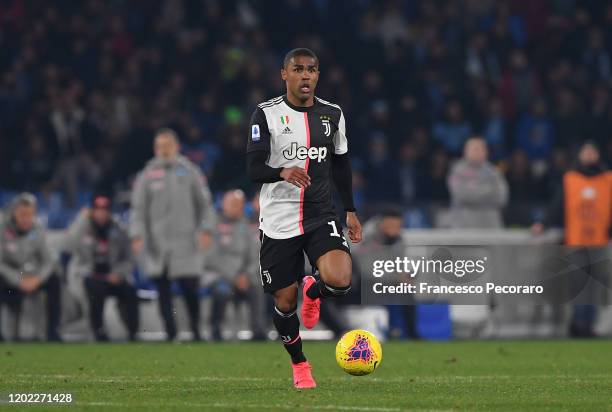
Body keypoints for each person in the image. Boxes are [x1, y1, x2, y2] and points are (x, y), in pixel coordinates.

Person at [246, 48, 362, 389]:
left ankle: (314, 290)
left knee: (340, 279)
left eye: (311, 69)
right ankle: (300, 365)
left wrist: (351, 210)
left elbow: (341, 164)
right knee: (284, 301)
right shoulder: (265, 114)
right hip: (278, 219)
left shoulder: (333, 114)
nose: (306, 75)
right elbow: (252, 168)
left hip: (319, 212)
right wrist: (282, 171)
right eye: (298, 69)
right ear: (285, 74)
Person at [130, 128, 216, 341]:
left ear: (176, 147)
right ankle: (171, 333)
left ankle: (196, 331)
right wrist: (137, 234)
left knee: (190, 289)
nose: (164, 150)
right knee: (163, 289)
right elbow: (138, 209)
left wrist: (206, 229)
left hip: (186, 243)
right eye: (159, 146)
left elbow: (205, 205)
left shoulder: (190, 172)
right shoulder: (146, 175)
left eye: (167, 146)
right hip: (158, 244)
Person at [532, 141, 612, 337]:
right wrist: (544, 223)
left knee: (594, 285)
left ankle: (588, 324)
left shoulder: (608, 179)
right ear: (580, 155)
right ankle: (577, 323)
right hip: (576, 239)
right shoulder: (570, 179)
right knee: (577, 283)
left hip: (600, 240)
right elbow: (558, 206)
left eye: (593, 151)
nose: (590, 155)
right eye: (586, 151)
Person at [66, 193, 139, 341]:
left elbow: (130, 259)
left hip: (113, 276)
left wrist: (118, 273)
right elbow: (68, 246)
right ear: (92, 210)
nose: (101, 213)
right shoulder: (83, 227)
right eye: (97, 209)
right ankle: (99, 333)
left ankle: (133, 333)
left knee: (130, 291)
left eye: (104, 210)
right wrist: (81, 219)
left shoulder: (119, 229)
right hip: (89, 276)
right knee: (95, 289)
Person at [205, 190, 267, 341]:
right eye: (232, 204)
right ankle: (216, 330)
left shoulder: (248, 226)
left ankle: (258, 331)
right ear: (224, 204)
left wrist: (246, 275)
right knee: (222, 291)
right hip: (218, 275)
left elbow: (255, 256)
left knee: (258, 287)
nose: (236, 207)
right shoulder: (213, 225)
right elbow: (212, 257)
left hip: (244, 277)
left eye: (239, 204)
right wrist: (234, 277)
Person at [0, 193, 61, 341]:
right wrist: (18, 280)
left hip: (32, 275)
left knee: (54, 278)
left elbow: (49, 260)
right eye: (23, 214)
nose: (26, 218)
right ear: (14, 212)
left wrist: (38, 278)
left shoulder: (38, 230)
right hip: (11, 276)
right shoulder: (2, 230)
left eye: (30, 214)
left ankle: (52, 332)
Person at [447, 137, 509, 229]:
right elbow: (461, 195)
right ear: (465, 151)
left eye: (480, 149)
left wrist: (473, 191)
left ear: (486, 151)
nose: (477, 152)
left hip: (490, 227)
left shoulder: (494, 172)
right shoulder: (457, 171)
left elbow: (502, 197)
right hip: (464, 228)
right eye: (474, 149)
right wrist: (488, 191)